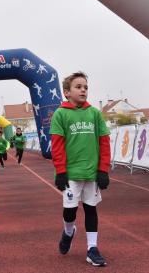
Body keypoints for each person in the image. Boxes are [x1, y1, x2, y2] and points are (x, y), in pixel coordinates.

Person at [50, 72, 110, 267]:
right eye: (78, 86)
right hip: (70, 174)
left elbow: (104, 142)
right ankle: (69, 231)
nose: (83, 89)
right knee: (70, 212)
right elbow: (57, 145)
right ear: (67, 92)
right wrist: (60, 171)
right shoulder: (61, 114)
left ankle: (92, 249)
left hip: (91, 173)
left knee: (91, 209)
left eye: (85, 87)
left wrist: (103, 170)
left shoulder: (94, 113)